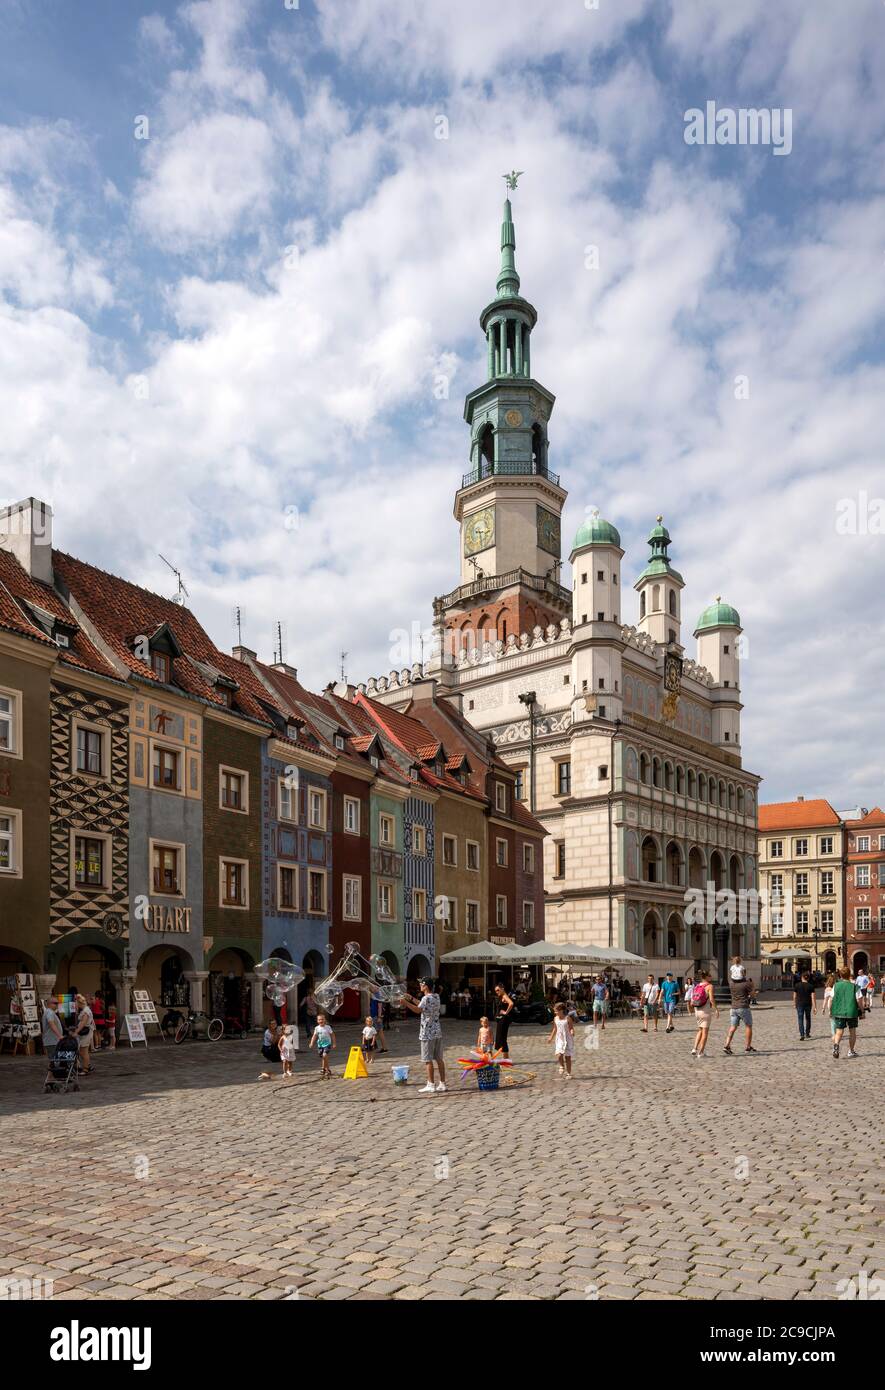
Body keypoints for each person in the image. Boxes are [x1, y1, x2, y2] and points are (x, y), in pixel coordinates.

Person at [401, 979, 446, 1093]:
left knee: (428, 1060)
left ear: (425, 986)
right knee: (439, 1059)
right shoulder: (436, 996)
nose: (419, 985)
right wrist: (410, 998)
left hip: (427, 1033)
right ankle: (442, 1083)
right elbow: (422, 1004)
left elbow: (418, 1009)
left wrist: (405, 1003)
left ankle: (430, 1084)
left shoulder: (426, 998)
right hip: (437, 1031)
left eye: (421, 984)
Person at [724, 971, 756, 1054]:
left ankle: (727, 1045)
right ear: (744, 974)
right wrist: (752, 986)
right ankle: (748, 1047)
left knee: (732, 1027)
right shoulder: (746, 983)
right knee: (748, 1026)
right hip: (743, 1007)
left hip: (733, 1007)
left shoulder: (731, 983)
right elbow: (753, 996)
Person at [832, 966, 861, 1059]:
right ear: (849, 975)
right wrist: (862, 1011)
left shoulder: (836, 985)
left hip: (839, 1011)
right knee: (852, 1031)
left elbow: (832, 997)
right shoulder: (854, 986)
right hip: (852, 1011)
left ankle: (836, 1046)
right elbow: (859, 999)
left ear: (840, 975)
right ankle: (851, 1051)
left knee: (839, 1031)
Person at [690, 972, 718, 1057]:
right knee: (705, 1032)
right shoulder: (709, 986)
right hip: (705, 1011)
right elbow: (712, 999)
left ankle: (694, 1048)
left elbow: (692, 999)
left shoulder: (697, 986)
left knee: (700, 1030)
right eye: (709, 976)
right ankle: (701, 1052)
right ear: (706, 977)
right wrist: (716, 1009)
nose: (711, 977)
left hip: (697, 1010)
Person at [547, 1002, 575, 1079]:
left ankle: (569, 1073)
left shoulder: (567, 1018)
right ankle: (562, 1066)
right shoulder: (555, 1018)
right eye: (554, 1011)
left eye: (556, 1011)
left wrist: (572, 1031)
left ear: (561, 1010)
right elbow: (555, 1029)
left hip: (567, 1039)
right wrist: (551, 1037)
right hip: (559, 1039)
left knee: (568, 1057)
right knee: (559, 1054)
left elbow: (571, 1027)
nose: (555, 1013)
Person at [309, 1013, 335, 1078]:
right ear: (317, 1021)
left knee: (324, 1055)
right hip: (320, 1045)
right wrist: (311, 1043)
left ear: (325, 1020)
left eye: (322, 1019)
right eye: (319, 1020)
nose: (321, 1021)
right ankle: (323, 1068)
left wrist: (334, 1043)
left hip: (327, 1044)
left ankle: (328, 1069)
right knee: (323, 1057)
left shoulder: (328, 1027)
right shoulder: (317, 1028)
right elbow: (314, 1036)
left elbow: (332, 1035)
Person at [493, 982, 516, 1057]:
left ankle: (506, 1058)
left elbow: (511, 1003)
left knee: (502, 1038)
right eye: (496, 991)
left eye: (498, 990)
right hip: (501, 1020)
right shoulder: (502, 996)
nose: (497, 992)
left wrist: (506, 1012)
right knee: (501, 1038)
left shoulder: (504, 996)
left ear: (502, 989)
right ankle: (505, 1057)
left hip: (503, 1020)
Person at [792, 970, 816, 1040]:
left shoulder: (797, 985)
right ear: (808, 978)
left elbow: (794, 996)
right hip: (808, 1004)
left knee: (800, 1019)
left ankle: (802, 1034)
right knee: (808, 1018)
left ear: (802, 977)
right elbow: (813, 997)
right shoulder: (811, 986)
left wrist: (794, 1004)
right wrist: (815, 1007)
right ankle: (807, 1033)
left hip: (799, 1004)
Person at [74, 994, 94, 1074]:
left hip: (86, 1033)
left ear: (79, 1003)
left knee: (83, 1051)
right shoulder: (84, 1010)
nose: (76, 1005)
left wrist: (76, 1032)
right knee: (82, 1050)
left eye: (76, 1003)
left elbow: (83, 1023)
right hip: (84, 1033)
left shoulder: (86, 1011)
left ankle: (85, 1069)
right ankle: (87, 1065)